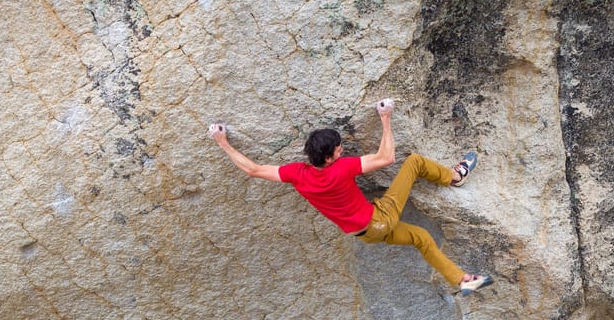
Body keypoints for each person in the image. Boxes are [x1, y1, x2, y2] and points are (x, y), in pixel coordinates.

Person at [210, 99, 493, 294]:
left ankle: (462, 280)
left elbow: (254, 169)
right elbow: (387, 157)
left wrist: (223, 142)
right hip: (379, 219)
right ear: (330, 155)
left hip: (366, 233)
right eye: (339, 148)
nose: (343, 150)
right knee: (415, 162)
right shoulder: (341, 169)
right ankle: (456, 177)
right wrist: (385, 117)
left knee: (421, 237)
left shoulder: (297, 174)